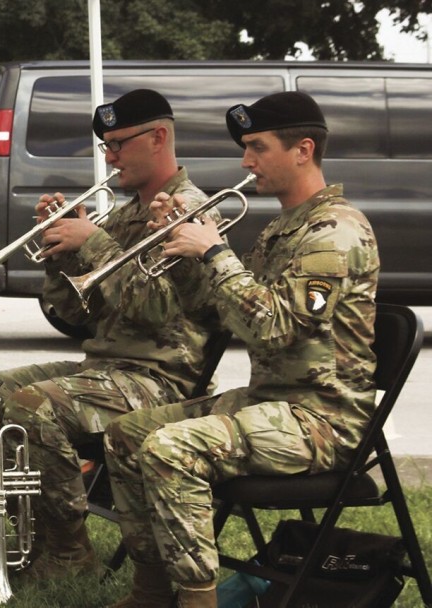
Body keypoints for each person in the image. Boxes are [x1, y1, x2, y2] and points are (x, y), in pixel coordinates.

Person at [103, 91, 379, 608]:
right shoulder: (284, 227)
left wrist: (214, 251)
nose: (245, 161)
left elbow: (277, 330)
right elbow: (220, 313)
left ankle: (198, 602)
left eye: (257, 147)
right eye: (245, 148)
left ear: (302, 150)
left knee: (171, 449)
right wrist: (183, 253)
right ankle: (151, 592)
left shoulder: (334, 232)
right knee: (125, 434)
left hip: (322, 419)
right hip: (272, 403)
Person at [0, 89, 220, 579]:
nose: (109, 157)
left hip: (161, 379)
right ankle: (28, 536)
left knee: (31, 407)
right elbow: (76, 315)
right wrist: (63, 255)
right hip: (106, 369)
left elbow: (158, 310)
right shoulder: (125, 214)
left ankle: (69, 555)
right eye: (104, 147)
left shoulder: (190, 210)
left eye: (117, 144)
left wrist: (93, 243)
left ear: (158, 138)